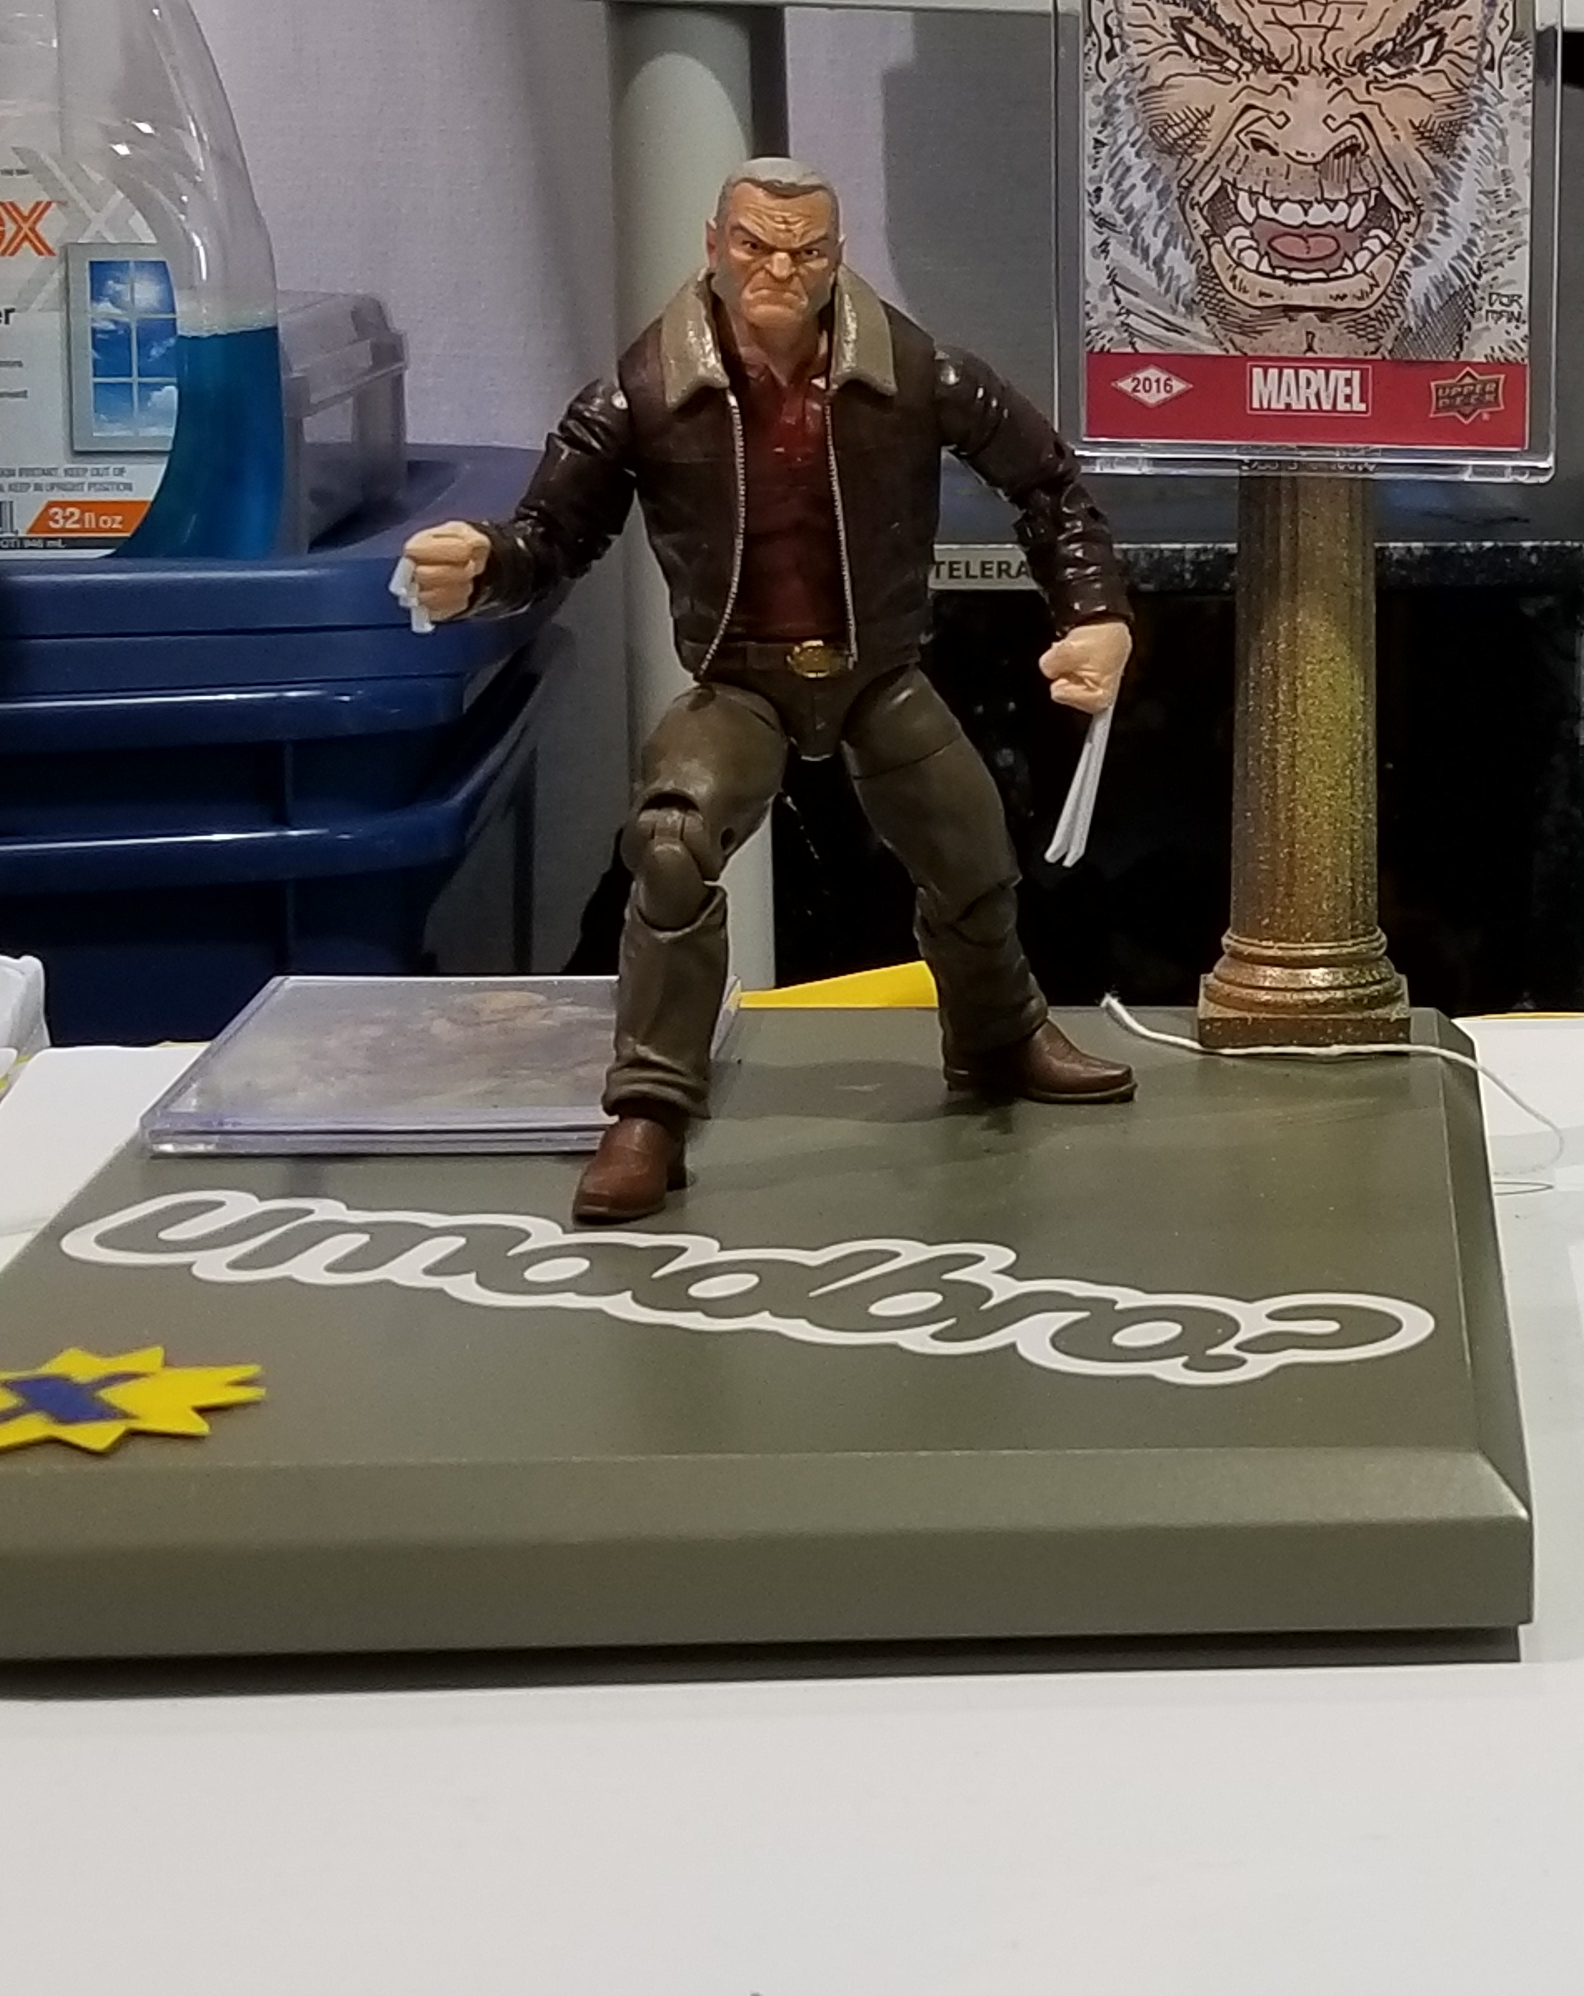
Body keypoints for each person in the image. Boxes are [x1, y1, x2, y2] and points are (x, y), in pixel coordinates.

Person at [400, 164, 1137, 1225]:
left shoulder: (916, 371)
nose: (779, 270)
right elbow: (554, 533)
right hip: (739, 676)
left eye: (806, 250)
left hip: (878, 671)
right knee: (669, 842)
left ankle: (998, 1035)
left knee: (973, 850)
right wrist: (484, 565)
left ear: (838, 256)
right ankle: (649, 1109)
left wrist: (1094, 612)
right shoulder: (643, 391)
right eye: (754, 245)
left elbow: (1047, 483)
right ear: (714, 244)